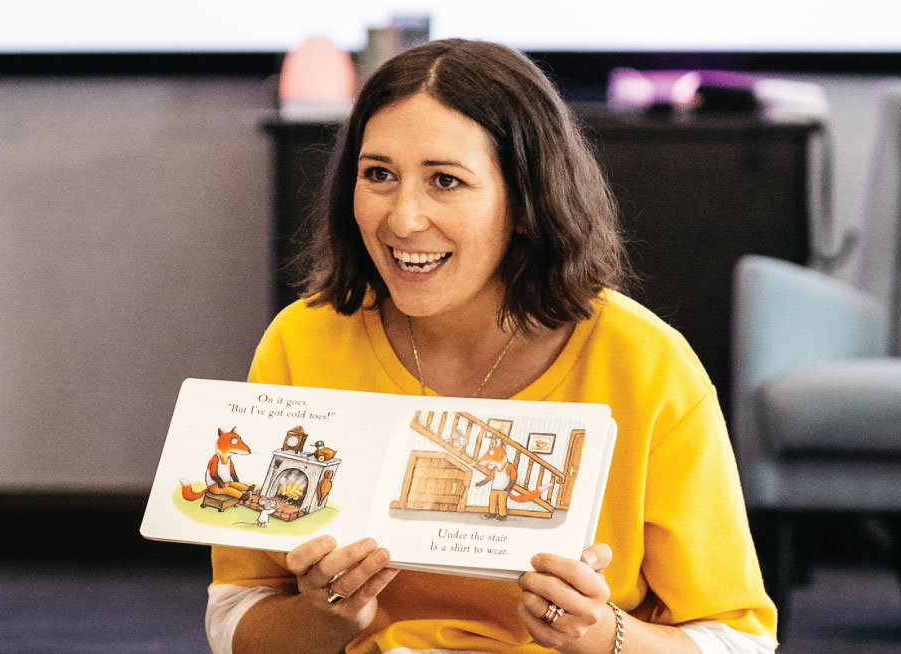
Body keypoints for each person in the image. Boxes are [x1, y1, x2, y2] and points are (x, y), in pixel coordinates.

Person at [207, 39, 777, 654]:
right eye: (378, 175)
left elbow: (738, 640)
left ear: (527, 204)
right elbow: (237, 618)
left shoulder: (646, 363)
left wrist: (601, 633)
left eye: (445, 181)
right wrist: (328, 617)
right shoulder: (303, 340)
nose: (402, 218)